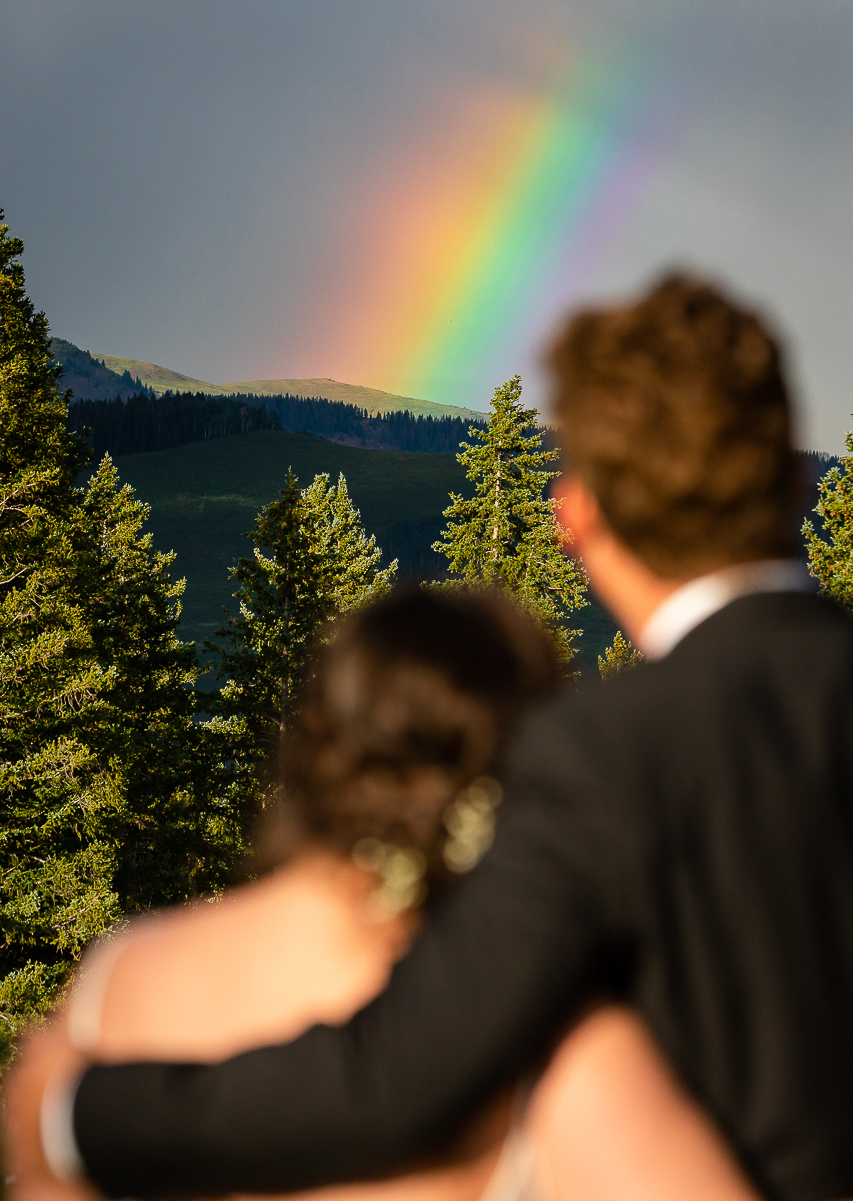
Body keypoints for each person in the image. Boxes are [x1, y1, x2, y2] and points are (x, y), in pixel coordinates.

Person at [16, 273, 853, 1201]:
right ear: (792, 474)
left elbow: (397, 1076)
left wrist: (78, 1115)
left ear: (575, 517)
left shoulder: (603, 751)